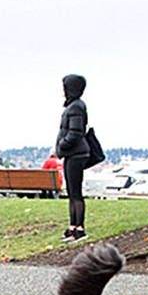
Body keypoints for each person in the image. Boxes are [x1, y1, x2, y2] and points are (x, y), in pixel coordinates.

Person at [55, 74, 90, 242]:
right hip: (72, 154)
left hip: (76, 153)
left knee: (75, 193)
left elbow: (75, 132)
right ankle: (72, 226)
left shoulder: (76, 107)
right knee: (72, 192)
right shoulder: (74, 106)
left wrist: (62, 144)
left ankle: (79, 228)